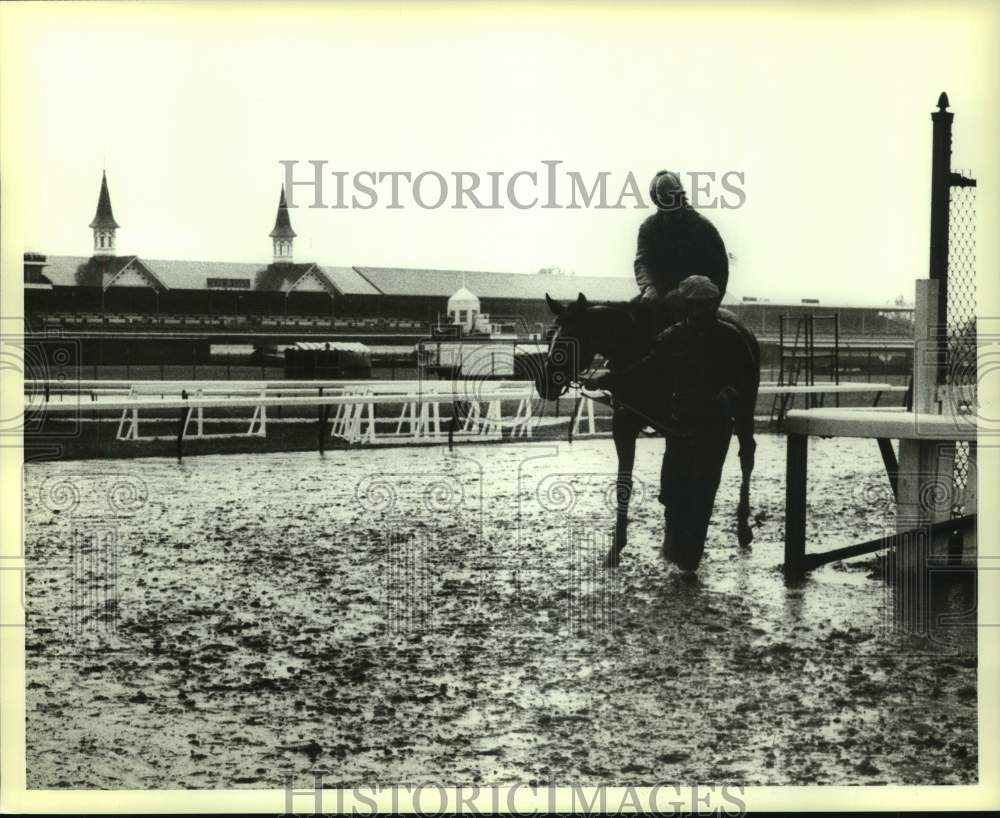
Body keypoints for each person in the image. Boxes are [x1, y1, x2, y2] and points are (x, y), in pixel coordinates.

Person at [585, 276, 756, 571]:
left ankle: (690, 560)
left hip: (713, 429)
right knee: (673, 490)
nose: (698, 310)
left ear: (712, 305)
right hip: (680, 426)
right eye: (693, 304)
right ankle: (678, 545)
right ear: (686, 305)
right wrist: (608, 379)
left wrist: (731, 395)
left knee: (702, 492)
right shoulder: (672, 336)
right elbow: (645, 368)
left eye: (704, 304)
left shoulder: (732, 339)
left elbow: (745, 379)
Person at [634, 170, 729, 307]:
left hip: (697, 300)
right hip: (659, 298)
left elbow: (720, 271)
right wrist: (648, 287)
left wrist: (701, 298)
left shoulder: (703, 228)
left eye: (676, 211)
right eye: (668, 212)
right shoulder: (649, 228)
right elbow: (642, 262)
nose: (673, 216)